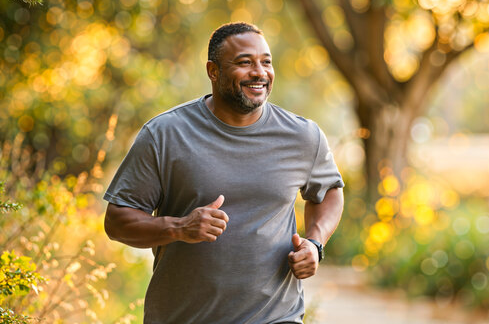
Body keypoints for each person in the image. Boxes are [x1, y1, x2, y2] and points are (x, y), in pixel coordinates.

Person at [103, 22, 345, 324]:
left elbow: (330, 190)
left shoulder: (301, 136)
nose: (259, 72)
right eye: (245, 62)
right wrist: (179, 227)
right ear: (213, 71)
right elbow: (117, 221)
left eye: (266, 62)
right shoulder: (165, 134)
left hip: (276, 317)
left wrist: (315, 243)